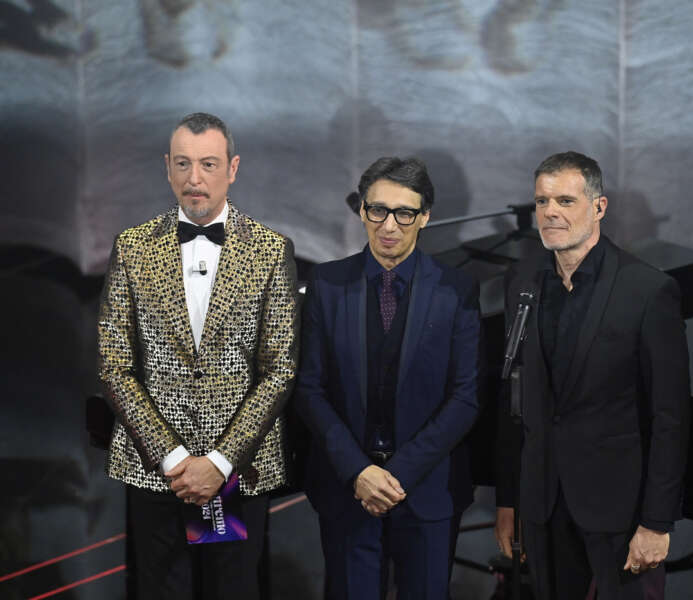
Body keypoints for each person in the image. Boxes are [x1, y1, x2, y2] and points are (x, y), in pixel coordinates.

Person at [97, 112, 299, 599]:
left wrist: (220, 462)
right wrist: (174, 459)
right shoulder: (132, 247)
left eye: (208, 164)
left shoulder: (271, 250)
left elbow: (279, 370)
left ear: (232, 168)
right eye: (183, 163)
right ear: (167, 167)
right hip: (154, 472)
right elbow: (114, 364)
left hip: (238, 473)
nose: (194, 178)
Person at [494, 151, 691, 599]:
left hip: (619, 511)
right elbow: (514, 400)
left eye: (565, 201)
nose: (550, 212)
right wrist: (508, 499)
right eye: (542, 201)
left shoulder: (647, 290)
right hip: (542, 504)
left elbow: (670, 418)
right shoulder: (522, 281)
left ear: (599, 207)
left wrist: (657, 522)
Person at [295, 156, 481, 600]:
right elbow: (309, 388)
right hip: (347, 490)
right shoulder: (326, 283)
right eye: (378, 210)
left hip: (428, 491)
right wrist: (359, 472)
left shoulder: (457, 289)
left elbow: (465, 396)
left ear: (425, 216)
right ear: (362, 211)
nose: (389, 225)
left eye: (404, 213)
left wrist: (396, 475)